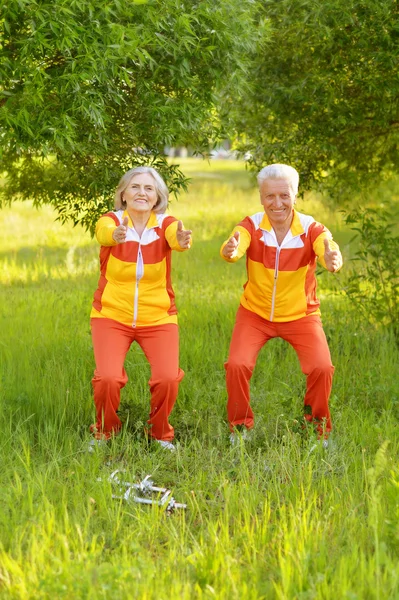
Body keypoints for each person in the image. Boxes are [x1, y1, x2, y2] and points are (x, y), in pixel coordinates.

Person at [220, 164, 343, 444]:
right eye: (270, 197)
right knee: (237, 364)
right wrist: (230, 251)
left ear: (295, 195)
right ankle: (240, 429)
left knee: (322, 367)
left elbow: (328, 248)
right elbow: (236, 244)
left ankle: (316, 430)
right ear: (261, 197)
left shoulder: (311, 228)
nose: (277, 203)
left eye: (284, 195)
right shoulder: (251, 225)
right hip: (255, 313)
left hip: (301, 314)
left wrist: (332, 260)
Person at [89, 166, 192, 451]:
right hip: (111, 314)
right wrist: (117, 235)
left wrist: (181, 242)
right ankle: (104, 432)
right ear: (122, 194)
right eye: (134, 187)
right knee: (107, 378)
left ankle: (160, 434)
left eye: (149, 188)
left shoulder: (167, 223)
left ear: (158, 196)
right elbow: (103, 233)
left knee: (168, 378)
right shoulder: (110, 221)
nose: (141, 193)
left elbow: (175, 236)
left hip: (158, 317)